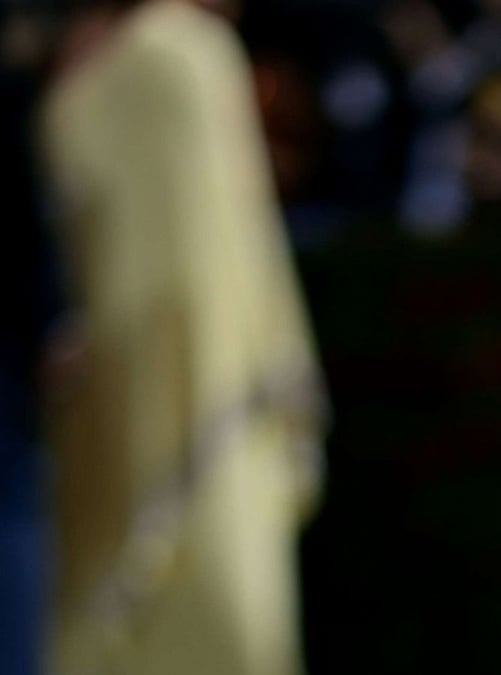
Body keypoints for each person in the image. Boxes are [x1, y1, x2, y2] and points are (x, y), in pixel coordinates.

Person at [35, 0, 329, 673]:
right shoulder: (152, 52)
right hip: (95, 392)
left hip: (175, 392)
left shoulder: (178, 52)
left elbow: (207, 260)